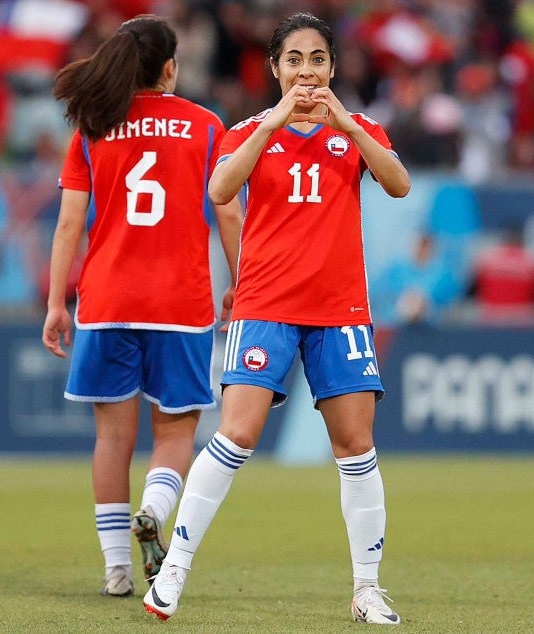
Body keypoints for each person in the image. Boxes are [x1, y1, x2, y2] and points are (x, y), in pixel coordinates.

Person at [143, 12, 411, 626]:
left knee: (356, 445)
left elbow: (398, 183)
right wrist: (273, 123)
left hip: (339, 310)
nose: (307, 71)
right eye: (294, 60)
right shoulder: (248, 131)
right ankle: (175, 572)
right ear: (275, 68)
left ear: (334, 67)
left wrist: (344, 122)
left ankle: (367, 588)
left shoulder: (359, 130)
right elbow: (219, 190)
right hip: (265, 305)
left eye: (317, 59)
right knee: (235, 436)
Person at [41, 15, 242, 598]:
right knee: (176, 431)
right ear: (170, 68)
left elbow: (68, 225)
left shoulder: (93, 126)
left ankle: (116, 570)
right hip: (180, 299)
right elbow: (228, 211)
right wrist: (243, 279)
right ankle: (156, 508)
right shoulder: (206, 126)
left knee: (111, 438)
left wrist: (57, 302)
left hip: (106, 299)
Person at [466, 221, 534, 324]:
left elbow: (470, 294)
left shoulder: (486, 259)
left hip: (491, 323)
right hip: (525, 324)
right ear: (522, 240)